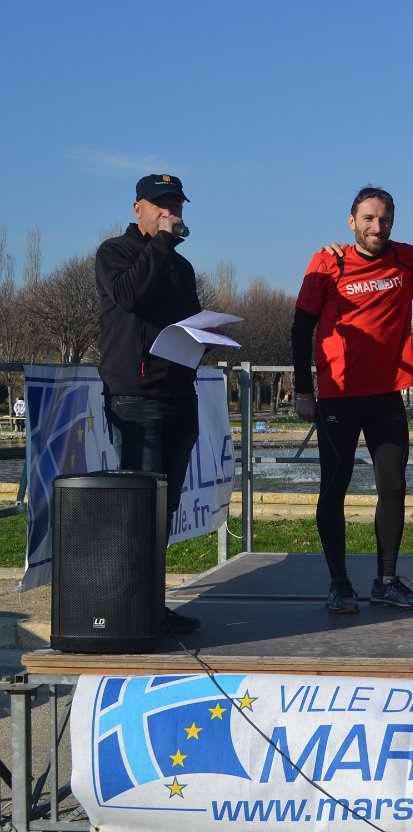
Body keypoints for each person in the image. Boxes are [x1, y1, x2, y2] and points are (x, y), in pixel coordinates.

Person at [292, 186, 413, 614]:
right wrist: (303, 390)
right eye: (368, 218)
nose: (377, 226)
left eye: (384, 219)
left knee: (394, 488)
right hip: (338, 396)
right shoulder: (327, 262)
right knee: (334, 487)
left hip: (387, 395)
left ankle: (386, 581)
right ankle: (339, 584)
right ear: (351, 221)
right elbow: (301, 329)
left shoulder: (405, 259)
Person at [96, 173, 202, 634]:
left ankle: (152, 607)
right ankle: (131, 613)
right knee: (138, 510)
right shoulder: (115, 252)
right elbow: (130, 296)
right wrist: (160, 243)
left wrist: (207, 335)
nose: (169, 212)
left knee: (164, 509)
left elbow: (188, 323)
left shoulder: (182, 266)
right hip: (136, 398)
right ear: (137, 208)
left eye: (175, 204)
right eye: (160, 204)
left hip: (179, 395)